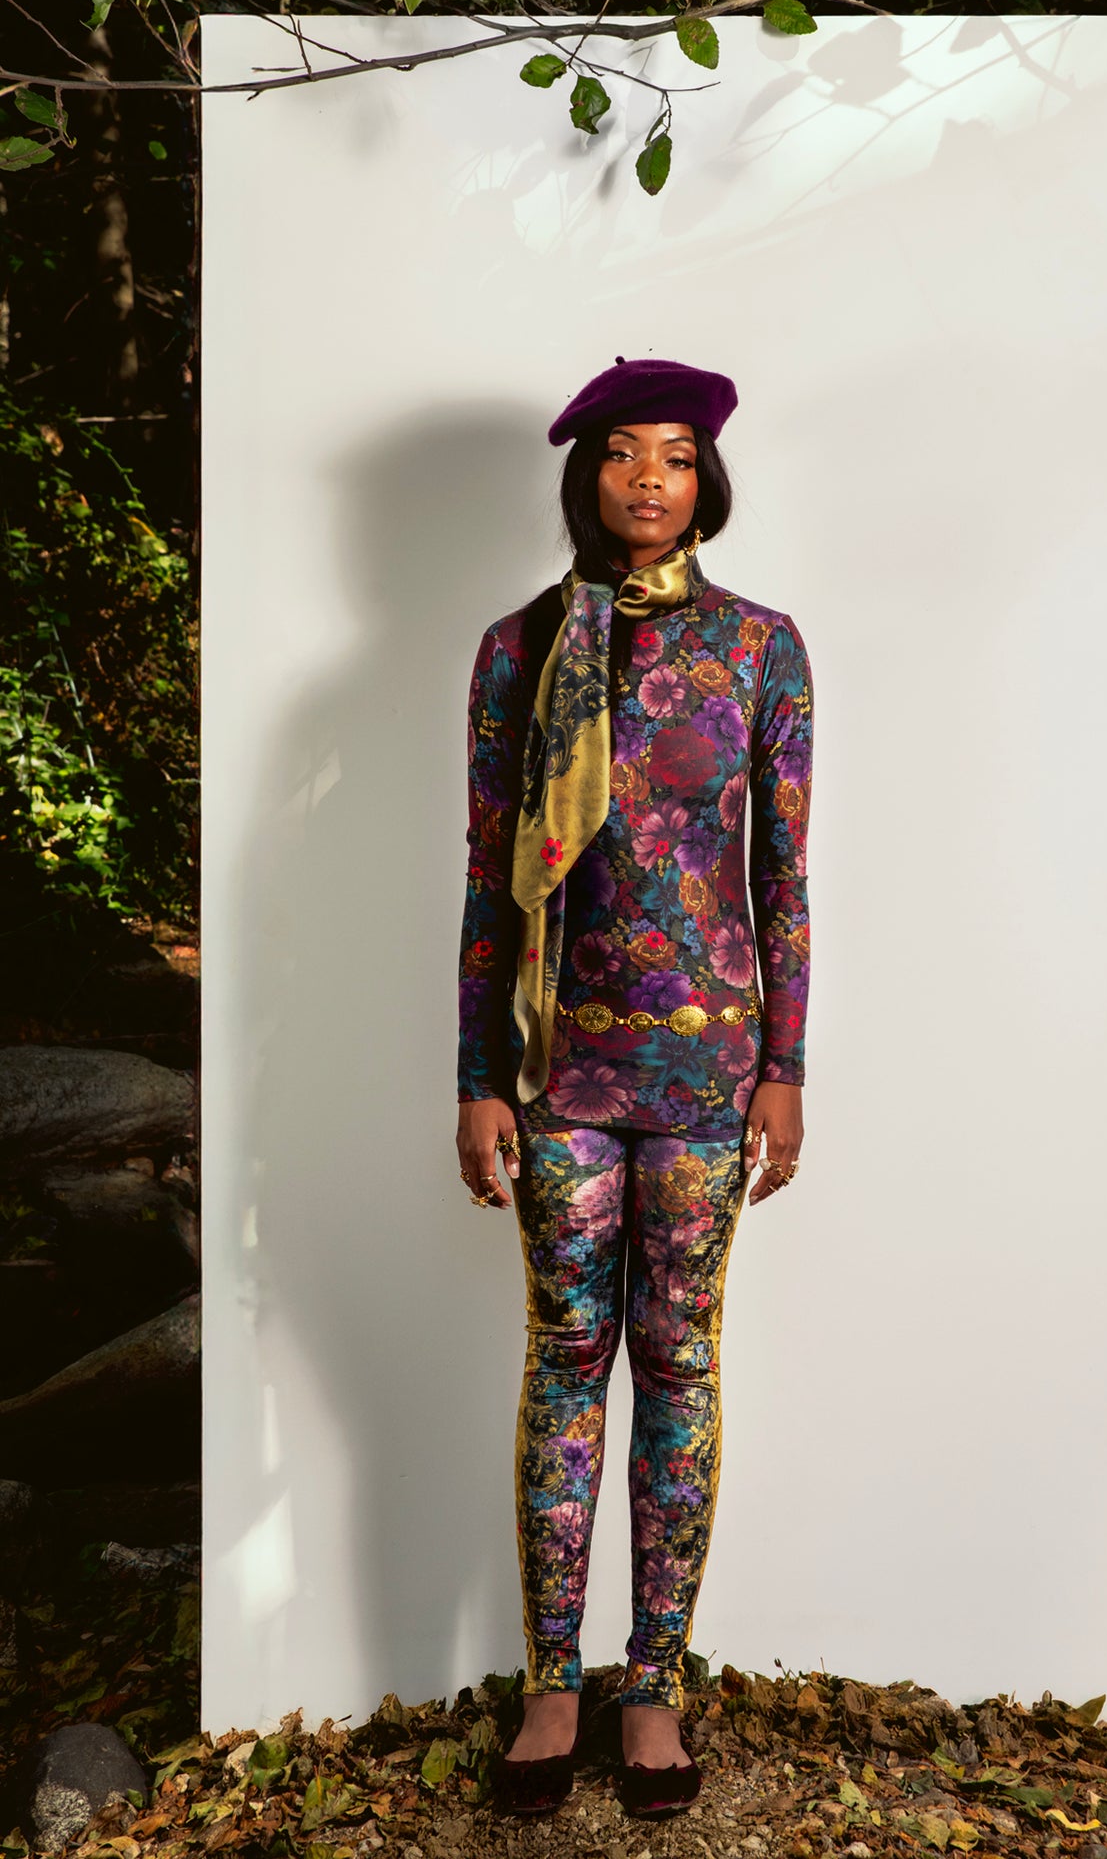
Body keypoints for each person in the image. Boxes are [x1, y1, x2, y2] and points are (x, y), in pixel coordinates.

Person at [455, 355, 814, 1819]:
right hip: (559, 1072)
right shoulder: (518, 647)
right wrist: (478, 1076)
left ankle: (653, 1683)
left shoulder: (761, 648)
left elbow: (783, 879)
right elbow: (490, 882)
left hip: (709, 1068)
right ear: (585, 476)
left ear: (705, 478)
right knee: (562, 1362)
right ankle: (554, 1680)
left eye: (673, 455)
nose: (648, 479)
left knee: (677, 1364)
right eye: (621, 452)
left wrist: (784, 1068)